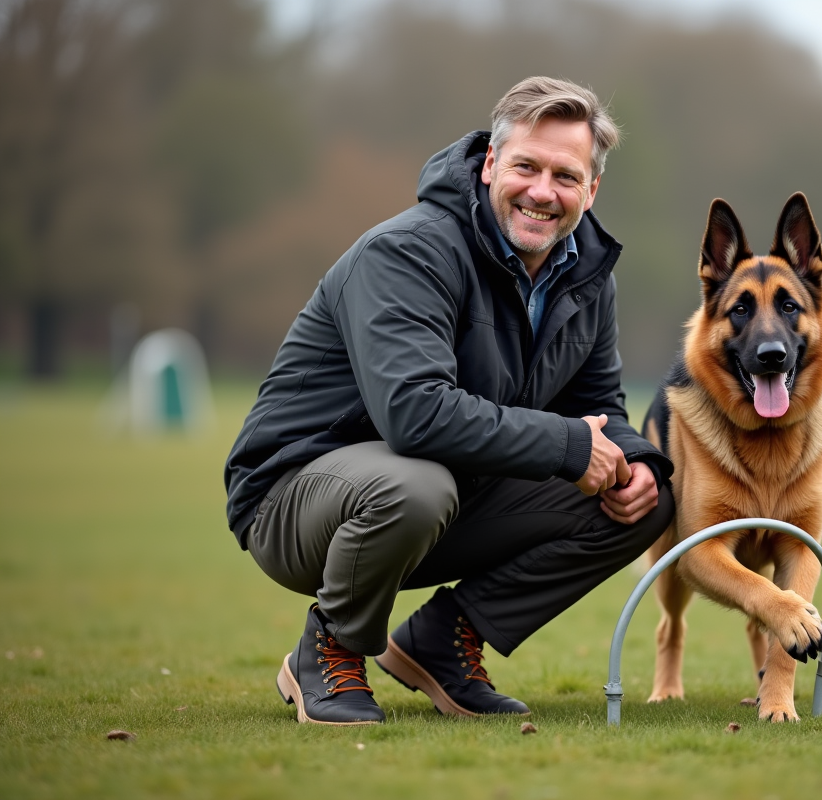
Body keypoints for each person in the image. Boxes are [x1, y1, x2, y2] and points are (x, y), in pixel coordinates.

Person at [223, 77, 674, 725]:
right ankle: (329, 648)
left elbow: (599, 405)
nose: (543, 192)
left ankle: (441, 641)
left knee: (645, 500)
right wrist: (571, 446)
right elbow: (415, 415)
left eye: (566, 176)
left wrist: (633, 463)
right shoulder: (407, 252)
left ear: (592, 190)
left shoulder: (586, 274)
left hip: (446, 491)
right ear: (490, 163)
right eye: (526, 166)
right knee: (415, 485)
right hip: (296, 498)